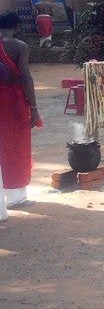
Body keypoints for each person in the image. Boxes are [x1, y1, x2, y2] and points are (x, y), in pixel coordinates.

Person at [0, 11, 42, 218]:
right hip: (11, 104)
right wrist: (34, 109)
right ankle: (16, 197)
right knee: (15, 147)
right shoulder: (19, 46)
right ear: (17, 27)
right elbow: (25, 79)